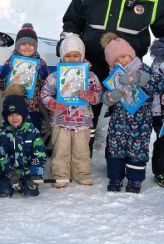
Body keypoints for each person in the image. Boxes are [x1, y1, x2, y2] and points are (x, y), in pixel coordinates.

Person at [61, 0, 164, 153]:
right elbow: (72, 22)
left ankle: (116, 159)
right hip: (91, 64)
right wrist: (68, 45)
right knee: (86, 110)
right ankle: (82, 152)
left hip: (128, 68)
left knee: (125, 114)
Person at [101, 33, 164, 193]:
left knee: (138, 152)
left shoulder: (143, 69)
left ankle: (135, 180)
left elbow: (158, 84)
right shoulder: (112, 76)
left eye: (124, 56)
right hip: (118, 122)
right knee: (115, 150)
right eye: (116, 60)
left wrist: (139, 78)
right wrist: (111, 96)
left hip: (142, 122)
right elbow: (105, 99)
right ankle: (115, 178)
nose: (121, 61)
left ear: (131, 54)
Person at [41, 34, 102, 188]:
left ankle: (82, 173)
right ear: (62, 56)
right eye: (68, 56)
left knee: (81, 151)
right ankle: (60, 175)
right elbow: (45, 94)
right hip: (60, 121)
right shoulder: (55, 76)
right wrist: (53, 104)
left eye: (76, 55)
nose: (72, 59)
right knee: (61, 151)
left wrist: (91, 96)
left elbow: (99, 96)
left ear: (82, 55)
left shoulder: (91, 76)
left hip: (83, 121)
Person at [0, 85, 46, 197]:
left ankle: (27, 181)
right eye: (10, 115)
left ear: (24, 114)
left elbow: (39, 155)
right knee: (5, 191)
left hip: (28, 174)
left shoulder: (32, 132)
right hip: (9, 174)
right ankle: (1, 182)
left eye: (17, 114)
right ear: (6, 117)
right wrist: (10, 174)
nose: (14, 118)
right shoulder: (1, 134)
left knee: (31, 192)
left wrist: (35, 175)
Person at [0, 23, 49, 132]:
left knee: (33, 135)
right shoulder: (11, 62)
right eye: (23, 44)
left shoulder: (41, 63)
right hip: (13, 109)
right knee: (12, 136)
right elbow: (0, 85)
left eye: (31, 44)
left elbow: (47, 88)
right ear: (17, 46)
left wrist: (44, 75)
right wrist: (3, 74)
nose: (28, 47)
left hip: (33, 109)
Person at [149, 38, 164, 187]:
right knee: (162, 141)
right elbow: (153, 84)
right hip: (160, 110)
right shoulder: (160, 62)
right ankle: (160, 170)